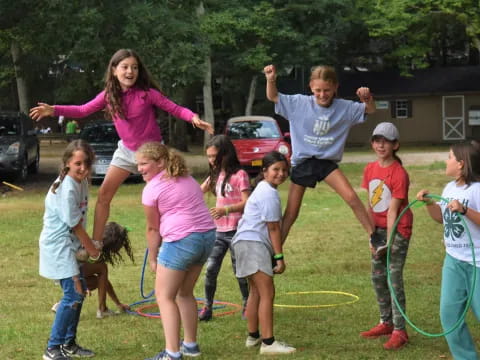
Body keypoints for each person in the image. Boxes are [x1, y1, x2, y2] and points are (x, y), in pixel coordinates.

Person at [30, 48, 214, 253]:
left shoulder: (147, 94)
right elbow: (83, 110)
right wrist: (54, 110)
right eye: (125, 67)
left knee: (168, 197)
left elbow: (175, 108)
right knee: (103, 195)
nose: (130, 72)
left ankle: (169, 240)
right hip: (126, 151)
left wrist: (193, 117)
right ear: (114, 70)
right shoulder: (109, 96)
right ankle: (95, 244)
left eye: (134, 67)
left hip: (154, 155)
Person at [263, 64, 375, 243]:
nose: (322, 95)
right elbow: (273, 96)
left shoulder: (344, 108)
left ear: (335, 87)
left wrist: (367, 99)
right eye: (318, 90)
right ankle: (274, 251)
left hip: (326, 163)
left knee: (352, 197)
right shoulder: (299, 103)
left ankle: (374, 237)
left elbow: (369, 110)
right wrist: (271, 79)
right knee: (291, 213)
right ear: (310, 87)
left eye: (327, 90)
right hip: (303, 162)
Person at [136, 142, 216, 360]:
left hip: (182, 241)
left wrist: (153, 258)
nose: (140, 169)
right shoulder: (187, 178)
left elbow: (153, 228)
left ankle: (172, 353)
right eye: (138, 164)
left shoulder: (151, 189)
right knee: (184, 292)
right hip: (207, 237)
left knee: (164, 296)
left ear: (160, 162)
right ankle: (190, 345)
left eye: (144, 164)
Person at [417, 141, 480, 360]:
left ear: (461, 164)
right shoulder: (449, 188)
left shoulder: (477, 190)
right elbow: (441, 219)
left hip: (478, 265)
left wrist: (464, 210)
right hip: (453, 261)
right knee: (449, 316)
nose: (446, 160)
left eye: (449, 157)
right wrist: (429, 204)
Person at [39, 139, 100, 360]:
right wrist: (93, 249)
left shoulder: (81, 182)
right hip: (58, 247)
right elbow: (74, 224)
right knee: (73, 293)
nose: (83, 168)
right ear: (67, 164)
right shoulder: (66, 188)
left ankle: (68, 344)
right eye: (78, 163)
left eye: (87, 163)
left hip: (70, 246)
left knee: (79, 293)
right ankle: (52, 349)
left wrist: (86, 247)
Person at [232, 151, 295, 355]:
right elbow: (273, 228)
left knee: (256, 292)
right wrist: (279, 258)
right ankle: (268, 343)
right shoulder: (268, 193)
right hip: (252, 244)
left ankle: (253, 337)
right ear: (264, 171)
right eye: (276, 169)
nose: (281, 174)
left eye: (284, 170)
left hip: (243, 242)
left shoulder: (261, 188)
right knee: (267, 292)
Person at [359, 122, 413, 350]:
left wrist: (388, 242)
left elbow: (392, 210)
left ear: (395, 145)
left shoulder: (399, 173)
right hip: (378, 229)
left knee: (393, 277)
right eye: (377, 140)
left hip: (397, 229)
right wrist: (372, 236)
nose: (381, 145)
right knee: (377, 276)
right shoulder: (370, 169)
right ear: (372, 143)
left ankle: (400, 331)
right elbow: (370, 205)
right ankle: (386, 322)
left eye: (386, 141)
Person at [198, 135, 251, 321]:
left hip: (238, 231)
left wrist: (225, 209)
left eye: (215, 156)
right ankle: (207, 307)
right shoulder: (215, 175)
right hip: (218, 232)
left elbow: (247, 203)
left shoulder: (240, 175)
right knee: (210, 269)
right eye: (209, 157)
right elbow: (196, 192)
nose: (212, 160)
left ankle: (247, 305)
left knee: (240, 272)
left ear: (226, 154)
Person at [52, 221, 135, 319]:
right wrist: (81, 283)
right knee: (102, 268)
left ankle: (61, 306)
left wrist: (118, 303)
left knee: (98, 280)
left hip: (64, 271)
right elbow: (77, 266)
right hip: (67, 272)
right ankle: (102, 310)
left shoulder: (96, 249)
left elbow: (104, 283)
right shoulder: (94, 251)